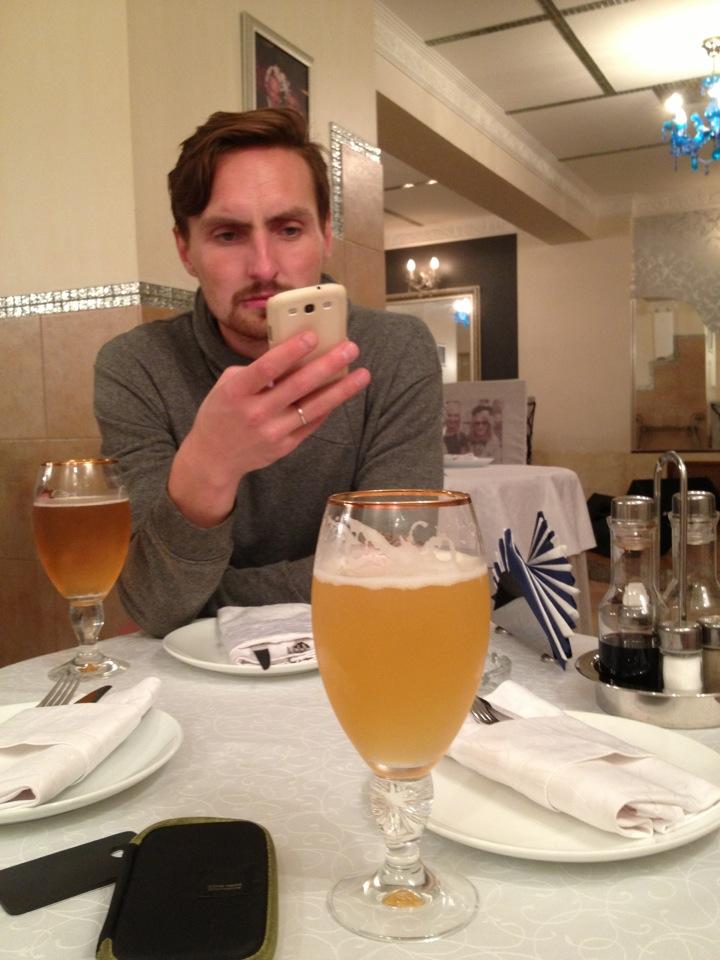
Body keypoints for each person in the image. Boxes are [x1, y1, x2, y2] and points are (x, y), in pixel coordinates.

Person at [94, 108, 443, 637]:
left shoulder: (396, 351)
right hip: (196, 673)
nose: (263, 267)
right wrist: (210, 465)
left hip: (361, 643)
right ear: (185, 250)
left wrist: (214, 601)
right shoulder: (136, 367)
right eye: (228, 235)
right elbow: (155, 605)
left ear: (325, 235)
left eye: (289, 229)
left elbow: (398, 564)